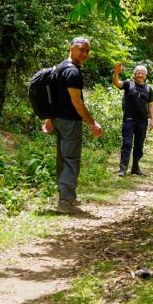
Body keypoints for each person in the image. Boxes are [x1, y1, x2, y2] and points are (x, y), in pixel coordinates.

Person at [43, 37, 103, 214]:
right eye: (80, 49)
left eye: (87, 51)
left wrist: (49, 118)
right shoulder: (73, 73)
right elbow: (77, 102)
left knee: (63, 157)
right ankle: (65, 201)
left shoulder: (60, 67)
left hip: (58, 119)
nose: (84, 53)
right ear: (71, 48)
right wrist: (92, 122)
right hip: (69, 121)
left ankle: (68, 196)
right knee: (71, 159)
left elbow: (53, 97)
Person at [112, 63, 153, 177]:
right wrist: (116, 73)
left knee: (139, 145)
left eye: (142, 73)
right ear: (134, 75)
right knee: (127, 144)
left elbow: (150, 105)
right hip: (129, 120)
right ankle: (123, 169)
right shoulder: (128, 84)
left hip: (142, 122)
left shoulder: (148, 89)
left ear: (145, 76)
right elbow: (116, 83)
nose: (140, 75)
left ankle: (135, 168)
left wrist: (152, 120)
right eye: (138, 73)